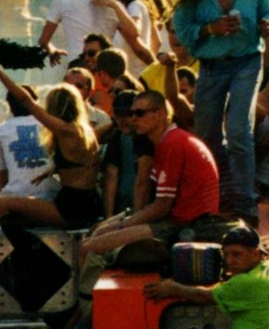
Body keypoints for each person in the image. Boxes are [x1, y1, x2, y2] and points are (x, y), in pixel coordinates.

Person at [171, 0, 269, 222]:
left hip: (246, 61)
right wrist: (211, 29)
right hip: (212, 64)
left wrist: (268, 25)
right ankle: (215, 195)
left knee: (238, 131)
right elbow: (181, 27)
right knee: (206, 134)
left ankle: (245, 202)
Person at [82, 89, 222, 256]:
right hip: (183, 221)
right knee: (98, 233)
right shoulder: (169, 140)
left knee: (88, 247)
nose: (133, 118)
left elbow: (161, 206)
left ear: (160, 114)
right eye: (131, 113)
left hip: (189, 225)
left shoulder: (173, 143)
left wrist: (124, 225)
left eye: (140, 113)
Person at [0, 63, 101, 229]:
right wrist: (51, 170)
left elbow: (26, 101)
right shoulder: (86, 131)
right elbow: (80, 165)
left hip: (72, 208)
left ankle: (29, 250)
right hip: (89, 201)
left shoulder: (64, 130)